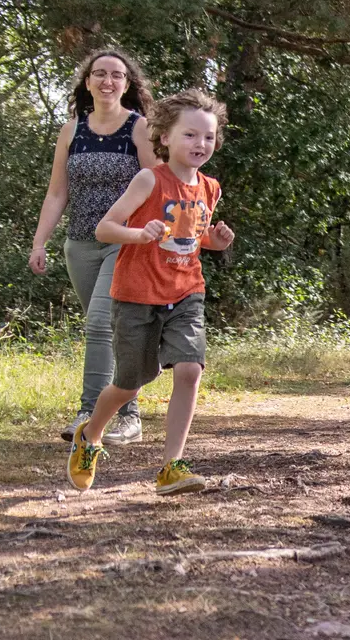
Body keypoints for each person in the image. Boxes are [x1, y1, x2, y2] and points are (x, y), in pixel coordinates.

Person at [68, 89, 234, 495]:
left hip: (186, 290)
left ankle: (170, 465)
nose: (201, 144)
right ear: (164, 138)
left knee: (190, 370)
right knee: (130, 383)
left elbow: (192, 239)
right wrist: (139, 234)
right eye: (191, 135)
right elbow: (104, 229)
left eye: (209, 137)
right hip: (138, 294)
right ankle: (90, 435)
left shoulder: (209, 188)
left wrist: (216, 240)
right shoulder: (149, 180)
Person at [28, 48, 157, 446]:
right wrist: (40, 241)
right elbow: (56, 193)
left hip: (126, 243)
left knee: (101, 323)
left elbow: (156, 184)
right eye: (100, 74)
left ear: (128, 84)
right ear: (87, 83)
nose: (108, 81)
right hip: (80, 245)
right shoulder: (71, 131)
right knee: (112, 330)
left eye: (117, 75)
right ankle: (128, 415)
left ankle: (89, 413)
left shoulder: (139, 128)